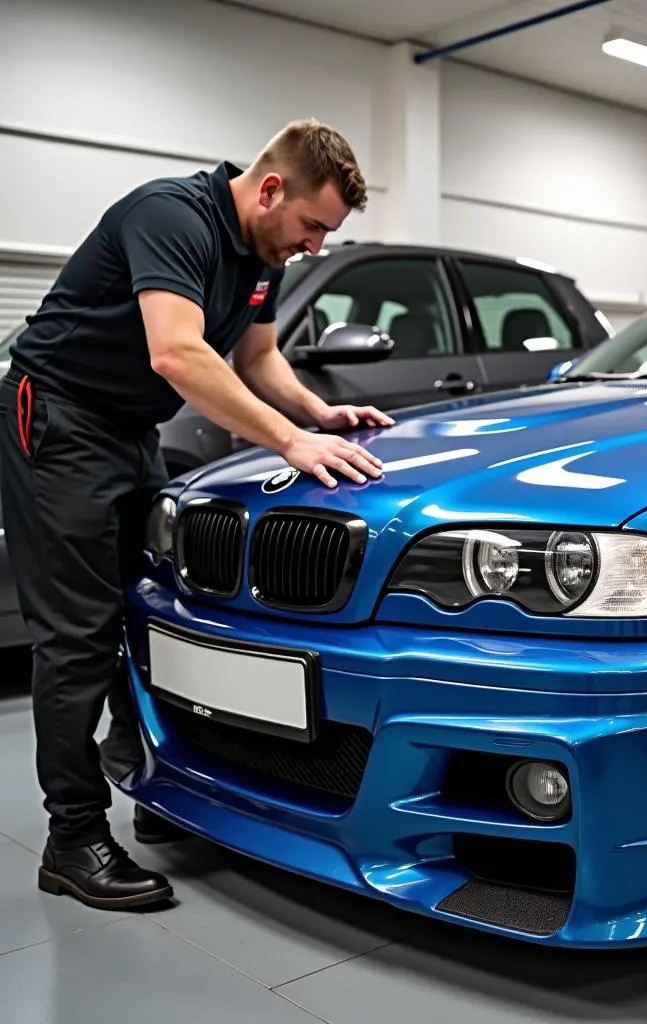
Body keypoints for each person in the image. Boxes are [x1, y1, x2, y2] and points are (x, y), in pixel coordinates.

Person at [0, 119, 395, 911]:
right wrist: (289, 442)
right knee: (77, 635)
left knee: (148, 608)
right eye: (313, 226)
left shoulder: (263, 254)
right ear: (271, 188)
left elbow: (257, 356)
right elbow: (177, 353)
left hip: (127, 429)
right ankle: (73, 839)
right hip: (59, 416)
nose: (316, 245)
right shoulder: (171, 216)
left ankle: (152, 775)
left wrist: (322, 415)